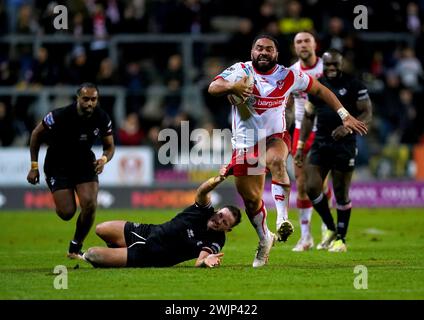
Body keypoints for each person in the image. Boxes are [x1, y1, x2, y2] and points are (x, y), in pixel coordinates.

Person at [208, 34, 367, 267]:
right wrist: (232, 86)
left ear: (276, 54)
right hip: (245, 144)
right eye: (259, 48)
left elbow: (321, 91)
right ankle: (265, 239)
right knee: (251, 201)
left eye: (269, 49)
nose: (263, 52)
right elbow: (213, 87)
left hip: (276, 137)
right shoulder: (240, 71)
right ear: (252, 52)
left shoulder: (288, 75)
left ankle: (283, 219)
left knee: (277, 161)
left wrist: (344, 115)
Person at [82, 167, 241, 268]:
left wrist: (206, 262)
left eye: (225, 222)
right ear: (218, 210)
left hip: (151, 255)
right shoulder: (204, 210)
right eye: (220, 215)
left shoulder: (217, 240)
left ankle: (122, 255)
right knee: (101, 229)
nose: (219, 221)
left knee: (91, 254)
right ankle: (120, 251)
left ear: (228, 229)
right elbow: (201, 192)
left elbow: (200, 261)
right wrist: (219, 179)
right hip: (149, 231)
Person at [295, 49, 372, 252]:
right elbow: (309, 116)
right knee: (311, 187)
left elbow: (366, 113)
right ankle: (330, 228)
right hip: (321, 142)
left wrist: (347, 128)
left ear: (341, 63)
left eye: (334, 65)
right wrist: (301, 145)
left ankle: (341, 240)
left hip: (344, 146)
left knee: (340, 192)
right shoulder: (318, 84)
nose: (330, 68)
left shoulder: (354, 84)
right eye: (327, 65)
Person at [26, 82, 115, 259]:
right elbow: (36, 134)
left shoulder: (102, 117)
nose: (90, 103)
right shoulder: (59, 115)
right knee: (67, 213)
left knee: (90, 204)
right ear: (78, 98)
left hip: (84, 163)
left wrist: (104, 159)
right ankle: (60, 198)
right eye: (86, 99)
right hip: (57, 165)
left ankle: (75, 247)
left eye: (94, 99)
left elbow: (109, 146)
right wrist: (34, 166)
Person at [289, 31, 331, 252]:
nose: (303, 45)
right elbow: (284, 104)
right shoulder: (291, 73)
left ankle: (327, 229)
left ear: (315, 44)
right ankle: (306, 238)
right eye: (299, 42)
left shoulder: (328, 68)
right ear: (294, 47)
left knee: (321, 184)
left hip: (324, 130)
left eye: (307, 41)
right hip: (300, 131)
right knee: (302, 185)